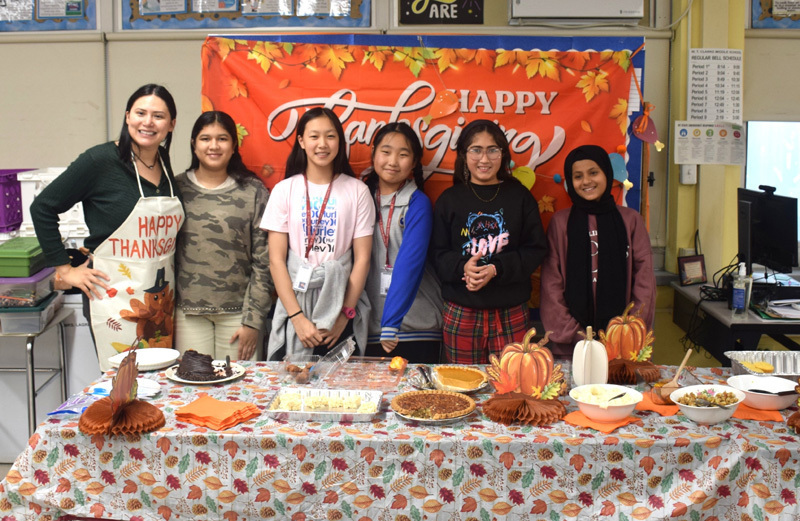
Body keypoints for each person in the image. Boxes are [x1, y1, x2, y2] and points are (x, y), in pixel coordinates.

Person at [30, 84, 181, 372]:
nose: (148, 122)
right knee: (123, 383)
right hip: (113, 296)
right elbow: (43, 207)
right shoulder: (99, 160)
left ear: (171, 124)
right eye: (140, 113)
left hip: (158, 300)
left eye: (158, 116)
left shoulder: (163, 160)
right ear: (127, 117)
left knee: (157, 382)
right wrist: (65, 270)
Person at [260, 107, 375, 359]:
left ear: (339, 142)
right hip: (295, 305)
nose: (322, 144)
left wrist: (345, 316)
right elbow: (276, 260)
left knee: (344, 395)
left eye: (330, 136)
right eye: (314, 136)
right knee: (290, 390)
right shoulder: (284, 190)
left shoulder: (357, 191)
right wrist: (297, 318)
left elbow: (362, 259)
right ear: (301, 141)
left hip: (340, 304)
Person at [430, 119, 547, 364]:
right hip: (462, 311)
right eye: (476, 150)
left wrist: (497, 269)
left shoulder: (520, 197)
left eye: (493, 150)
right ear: (463, 154)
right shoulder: (449, 200)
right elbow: (436, 253)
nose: (484, 159)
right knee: (461, 388)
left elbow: (536, 249)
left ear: (503, 154)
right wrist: (463, 267)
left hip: (510, 310)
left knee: (511, 386)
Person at [174, 111, 273, 361]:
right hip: (189, 313)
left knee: (241, 390)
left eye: (222, 138)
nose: (214, 146)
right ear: (193, 144)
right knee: (195, 389)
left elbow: (265, 260)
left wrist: (253, 321)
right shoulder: (174, 190)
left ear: (233, 146)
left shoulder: (253, 191)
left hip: (239, 314)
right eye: (205, 138)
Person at [540, 144, 656, 357]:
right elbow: (551, 285)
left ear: (607, 173)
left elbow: (645, 283)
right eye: (577, 176)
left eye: (593, 173)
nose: (586, 181)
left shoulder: (630, 221)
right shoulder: (560, 223)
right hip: (571, 347)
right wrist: (574, 333)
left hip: (623, 345)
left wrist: (628, 330)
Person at [362, 122, 443, 363]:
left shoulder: (418, 203)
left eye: (403, 154)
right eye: (386, 152)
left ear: (415, 162)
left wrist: (391, 322)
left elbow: (411, 264)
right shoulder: (359, 197)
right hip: (367, 327)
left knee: (418, 401)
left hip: (415, 328)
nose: (393, 161)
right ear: (374, 154)